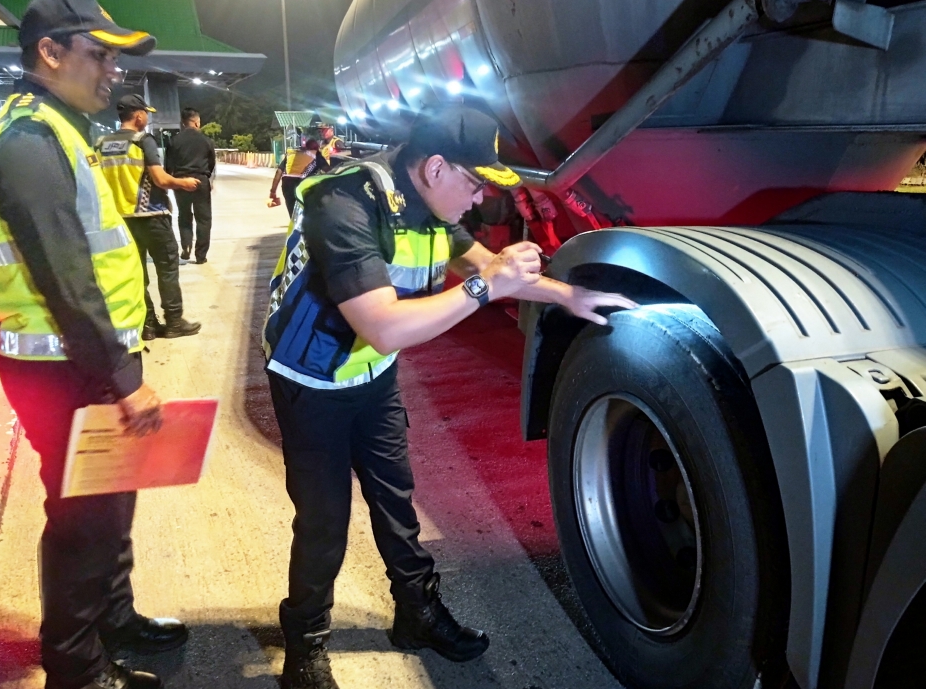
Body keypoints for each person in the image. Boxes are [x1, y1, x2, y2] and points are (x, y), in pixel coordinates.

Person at [262, 105, 637, 689]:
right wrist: (486, 288)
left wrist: (569, 296)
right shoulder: (345, 205)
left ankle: (417, 614)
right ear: (437, 167)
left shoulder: (432, 204)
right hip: (312, 381)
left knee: (396, 502)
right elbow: (386, 324)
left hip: (372, 375)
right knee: (324, 520)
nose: (483, 201)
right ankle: (304, 643)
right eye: (477, 182)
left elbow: (491, 265)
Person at [0, 0, 187, 689]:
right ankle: (76, 661)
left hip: (81, 361)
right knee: (83, 519)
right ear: (50, 52)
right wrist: (123, 377)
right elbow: (67, 278)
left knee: (111, 499)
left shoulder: (61, 130)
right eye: (100, 54)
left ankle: (113, 617)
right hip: (65, 368)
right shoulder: (30, 142)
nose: (112, 71)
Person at [96, 94, 202, 341]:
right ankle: (174, 322)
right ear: (139, 115)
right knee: (167, 270)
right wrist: (183, 183)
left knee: (136, 274)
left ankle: (148, 324)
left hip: (119, 222)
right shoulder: (143, 140)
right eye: (146, 114)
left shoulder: (100, 144)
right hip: (151, 216)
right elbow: (161, 179)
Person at [167, 108, 215, 264]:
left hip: (180, 181)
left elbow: (168, 166)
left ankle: (186, 247)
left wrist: (173, 180)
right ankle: (201, 255)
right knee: (204, 219)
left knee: (184, 215)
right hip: (201, 181)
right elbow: (211, 163)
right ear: (197, 121)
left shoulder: (174, 141)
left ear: (183, 122)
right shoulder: (206, 140)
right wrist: (207, 178)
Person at [267, 138, 329, 215]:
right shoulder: (316, 155)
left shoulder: (292, 154)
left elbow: (278, 173)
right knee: (307, 210)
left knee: (292, 212)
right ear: (317, 148)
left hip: (287, 184)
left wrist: (273, 191)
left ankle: (295, 224)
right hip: (303, 185)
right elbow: (328, 171)